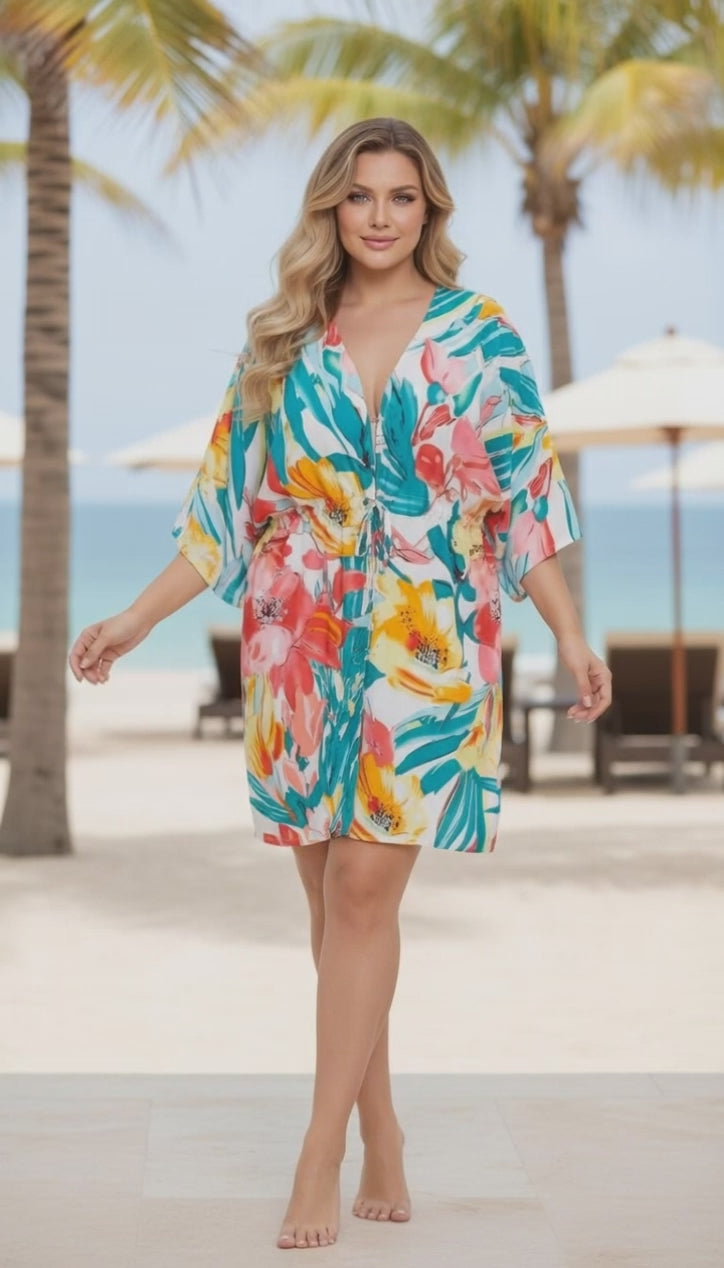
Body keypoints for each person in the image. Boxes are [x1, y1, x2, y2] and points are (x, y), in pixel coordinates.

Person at [69, 117, 612, 1251]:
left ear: (429, 210)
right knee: (332, 908)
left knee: (365, 892)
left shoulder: (479, 336)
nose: (379, 216)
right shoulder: (280, 343)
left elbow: (526, 500)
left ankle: (317, 1152)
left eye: (401, 197)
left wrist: (570, 634)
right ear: (331, 207)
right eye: (360, 195)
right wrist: (130, 621)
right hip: (298, 648)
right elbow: (221, 516)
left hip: (428, 646)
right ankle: (380, 1125)